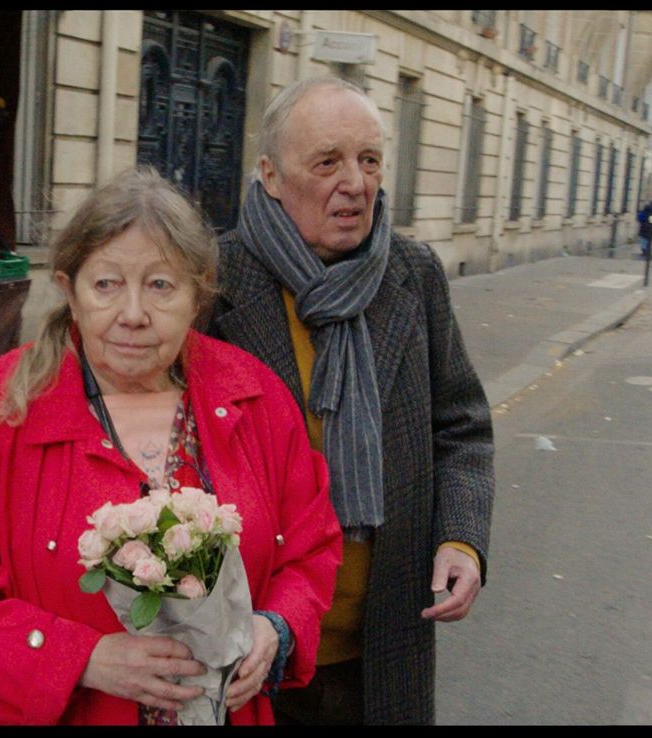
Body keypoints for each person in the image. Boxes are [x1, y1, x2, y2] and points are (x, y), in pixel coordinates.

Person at [0, 167, 342, 725]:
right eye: (106, 284)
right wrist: (81, 658)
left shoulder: (255, 398)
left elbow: (311, 546)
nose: (133, 315)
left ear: (197, 294)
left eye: (161, 285)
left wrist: (274, 627)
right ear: (70, 290)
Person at [207, 76, 495, 725]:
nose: (357, 182)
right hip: (246, 646)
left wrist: (461, 538)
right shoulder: (211, 281)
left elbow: (462, 425)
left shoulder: (412, 275)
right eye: (328, 161)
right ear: (272, 175)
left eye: (369, 160)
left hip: (385, 636)